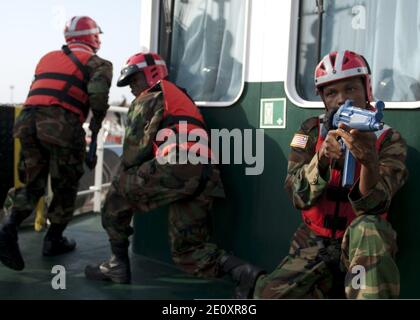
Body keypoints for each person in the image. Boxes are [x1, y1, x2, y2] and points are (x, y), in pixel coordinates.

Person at [84, 52, 264, 298]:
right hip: (205, 172)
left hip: (177, 165)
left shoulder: (151, 95)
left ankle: (117, 264)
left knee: (115, 197)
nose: (133, 89)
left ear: (151, 74)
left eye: (135, 80)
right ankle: (243, 272)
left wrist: (127, 180)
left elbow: (132, 154)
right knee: (188, 250)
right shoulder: (179, 97)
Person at [253, 50, 408, 299]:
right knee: (267, 294)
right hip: (315, 240)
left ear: (366, 89)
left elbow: (376, 206)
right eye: (331, 93)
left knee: (369, 226)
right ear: (323, 99)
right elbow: (296, 195)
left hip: (361, 242)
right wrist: (322, 160)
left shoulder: (388, 139)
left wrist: (368, 161)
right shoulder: (311, 131)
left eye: (350, 89)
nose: (341, 100)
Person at [0, 16, 113, 271]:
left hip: (27, 123)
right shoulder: (99, 63)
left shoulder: (47, 57)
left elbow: (38, 91)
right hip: (61, 125)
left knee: (33, 183)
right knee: (65, 184)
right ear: (93, 37)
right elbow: (98, 103)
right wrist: (94, 137)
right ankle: (54, 240)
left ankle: (8, 227)